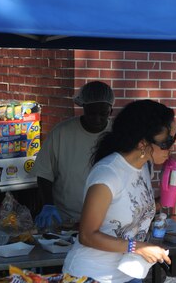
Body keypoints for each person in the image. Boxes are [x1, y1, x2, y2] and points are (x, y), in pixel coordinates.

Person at [62, 99, 175, 283]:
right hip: (89, 282)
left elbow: (129, 212)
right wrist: (137, 247)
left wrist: (161, 205)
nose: (171, 146)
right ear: (142, 143)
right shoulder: (108, 173)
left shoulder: (143, 167)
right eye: (166, 140)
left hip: (127, 279)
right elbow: (87, 235)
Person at [33, 81, 115, 230]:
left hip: (108, 220)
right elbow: (44, 173)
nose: (97, 119)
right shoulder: (62, 133)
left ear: (111, 111)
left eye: (103, 113)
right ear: (83, 108)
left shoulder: (118, 134)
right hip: (66, 220)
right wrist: (48, 205)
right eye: (91, 113)